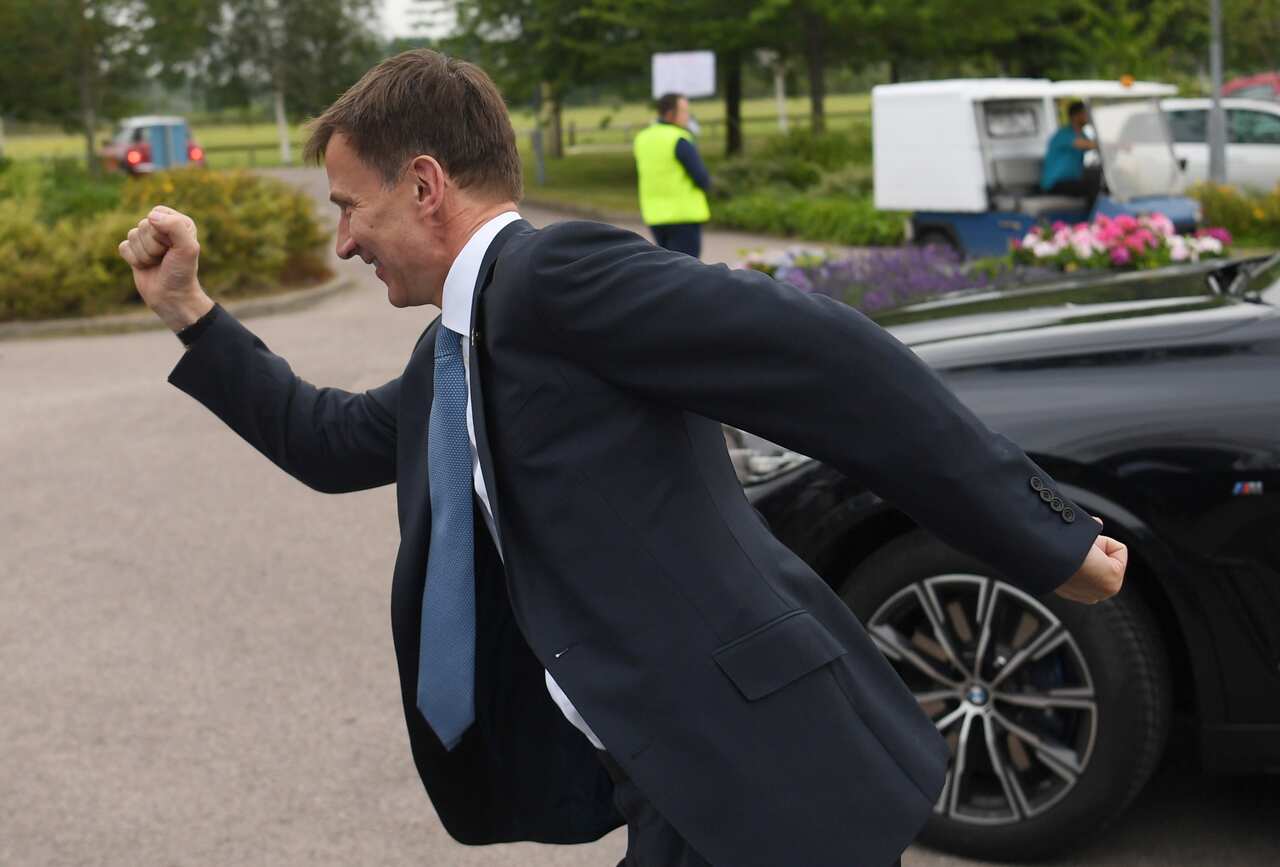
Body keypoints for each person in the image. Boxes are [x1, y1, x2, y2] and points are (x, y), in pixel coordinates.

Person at [117, 49, 1127, 867]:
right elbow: (326, 442)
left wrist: (1043, 537)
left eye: (347, 206)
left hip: (770, 776)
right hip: (679, 782)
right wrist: (192, 317)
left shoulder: (554, 278)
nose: (341, 242)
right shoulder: (451, 354)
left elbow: (828, 360)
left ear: (423, 185)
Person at [633, 92, 711, 258]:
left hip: (654, 214)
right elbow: (701, 177)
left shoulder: (642, 137)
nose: (687, 116)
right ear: (670, 114)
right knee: (688, 271)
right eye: (684, 111)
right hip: (683, 215)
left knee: (668, 268)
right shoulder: (679, 138)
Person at [1040, 100, 1103, 209]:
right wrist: (1113, 145)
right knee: (1092, 187)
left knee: (1099, 181)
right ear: (1076, 116)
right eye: (1085, 113)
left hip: (1072, 180)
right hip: (1056, 183)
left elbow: (1095, 147)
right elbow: (1088, 145)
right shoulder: (1064, 134)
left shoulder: (1082, 134)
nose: (1087, 117)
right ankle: (1094, 221)